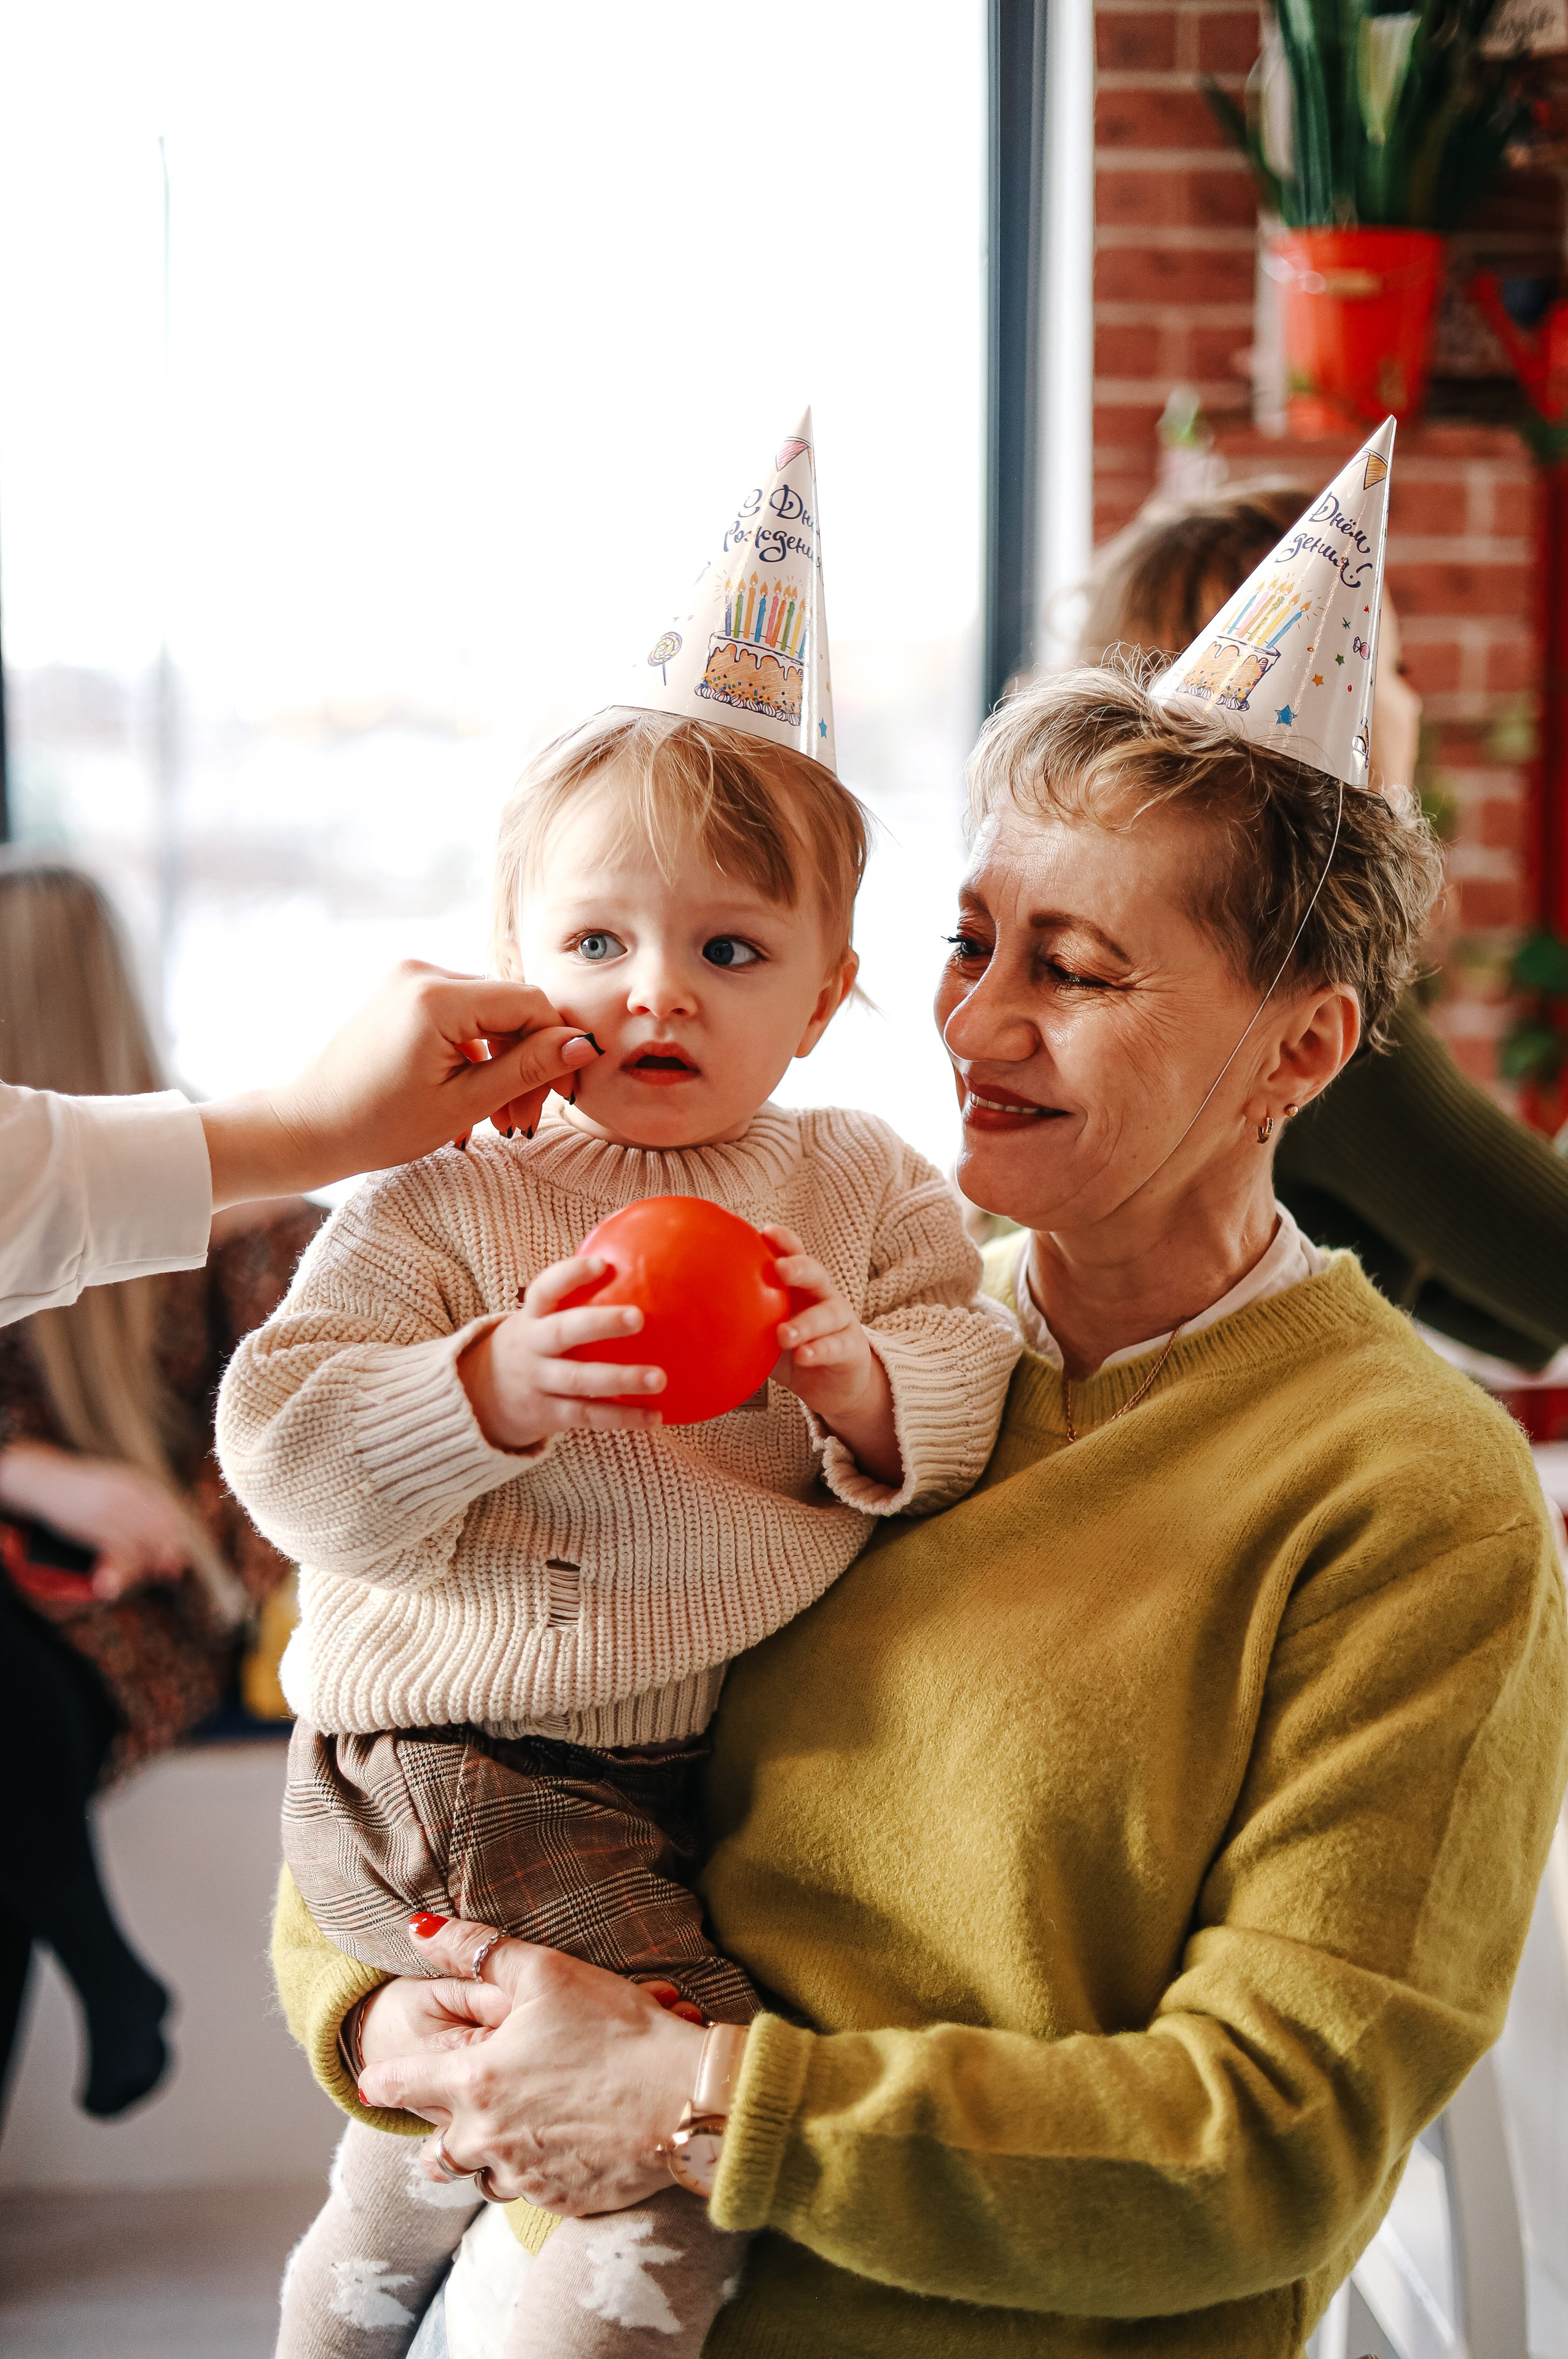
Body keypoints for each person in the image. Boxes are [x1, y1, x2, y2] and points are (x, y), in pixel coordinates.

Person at [268, 434, 1568, 2357]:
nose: (967, 1023)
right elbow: (456, 1694)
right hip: (537, 2259)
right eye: (969, 943)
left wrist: (699, 2102)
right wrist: (381, 2008)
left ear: (1297, 1050)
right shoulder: (850, 1321)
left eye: (1076, 971)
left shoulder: (1402, 1494)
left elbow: (1267, 2141)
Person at [219, 428, 1018, 2359]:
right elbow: (285, 1450)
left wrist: (856, 1377)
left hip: (657, 1766)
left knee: (420, 2148)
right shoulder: (455, 1183)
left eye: (726, 948)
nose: (654, 990)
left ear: (828, 993)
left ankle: (349, 2292)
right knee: (669, 2121)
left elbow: (972, 1366)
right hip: (464, 1754)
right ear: (521, 954)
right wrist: (482, 1384)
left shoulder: (858, 1188)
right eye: (597, 941)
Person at [1078, 482, 1568, 1371]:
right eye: (1394, 670)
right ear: (1325, 701)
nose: (1413, 707)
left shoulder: (1118, 949)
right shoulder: (1291, 997)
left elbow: (1514, 1319)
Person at [0, 864, 320, 2120]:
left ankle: (113, 1980)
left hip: (147, 1612)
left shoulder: (252, 1219)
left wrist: (173, 1519)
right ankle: (108, 1972)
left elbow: (302, 1452)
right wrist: (37, 1478)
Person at [0, 948, 604, 1327]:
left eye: (708, 949)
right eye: (597, 944)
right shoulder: (426, 1211)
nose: (657, 995)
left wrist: (299, 1131)